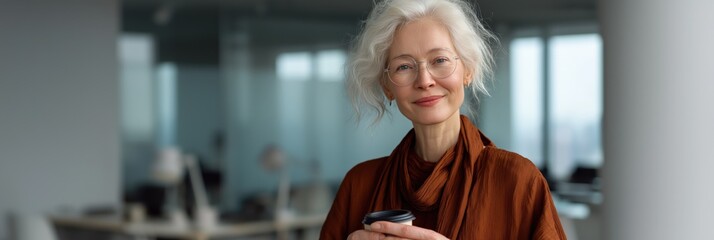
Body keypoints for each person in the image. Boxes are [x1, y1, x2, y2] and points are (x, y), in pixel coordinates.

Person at [319, 0, 566, 239]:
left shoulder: (516, 181)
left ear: (467, 70)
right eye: (404, 66)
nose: (424, 80)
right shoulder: (360, 185)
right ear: (387, 86)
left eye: (440, 60)